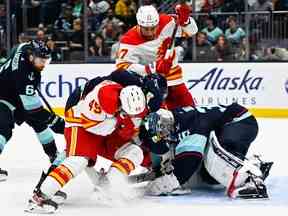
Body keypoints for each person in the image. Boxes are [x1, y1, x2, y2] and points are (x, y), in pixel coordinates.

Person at [25, 77, 149, 213]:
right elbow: (91, 126)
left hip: (107, 126)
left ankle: (108, 183)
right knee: (78, 161)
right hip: (81, 123)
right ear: (121, 102)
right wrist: (120, 123)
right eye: (126, 112)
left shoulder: (136, 104)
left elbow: (126, 130)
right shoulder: (104, 96)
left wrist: (126, 125)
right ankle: (41, 196)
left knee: (135, 152)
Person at [141, 103, 273, 199]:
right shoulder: (176, 119)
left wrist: (171, 182)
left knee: (217, 157)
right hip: (231, 123)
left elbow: (191, 159)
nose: (165, 135)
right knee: (209, 178)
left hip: (241, 120)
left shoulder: (191, 124)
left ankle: (253, 180)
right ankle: (254, 166)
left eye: (163, 132)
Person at [0, 41, 65, 181]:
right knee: (3, 127)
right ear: (31, 56)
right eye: (41, 60)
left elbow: (16, 47)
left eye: (46, 60)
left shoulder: (24, 47)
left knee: (39, 124)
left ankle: (53, 155)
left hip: (16, 92)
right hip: (3, 95)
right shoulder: (24, 75)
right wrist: (55, 121)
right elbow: (34, 110)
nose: (43, 64)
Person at [115, 4, 198, 110]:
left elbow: (192, 31)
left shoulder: (166, 22)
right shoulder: (128, 41)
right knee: (160, 118)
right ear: (139, 24)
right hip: (150, 83)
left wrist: (186, 21)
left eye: (153, 28)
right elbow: (121, 67)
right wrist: (150, 69)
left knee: (191, 110)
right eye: (146, 29)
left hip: (174, 77)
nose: (150, 32)